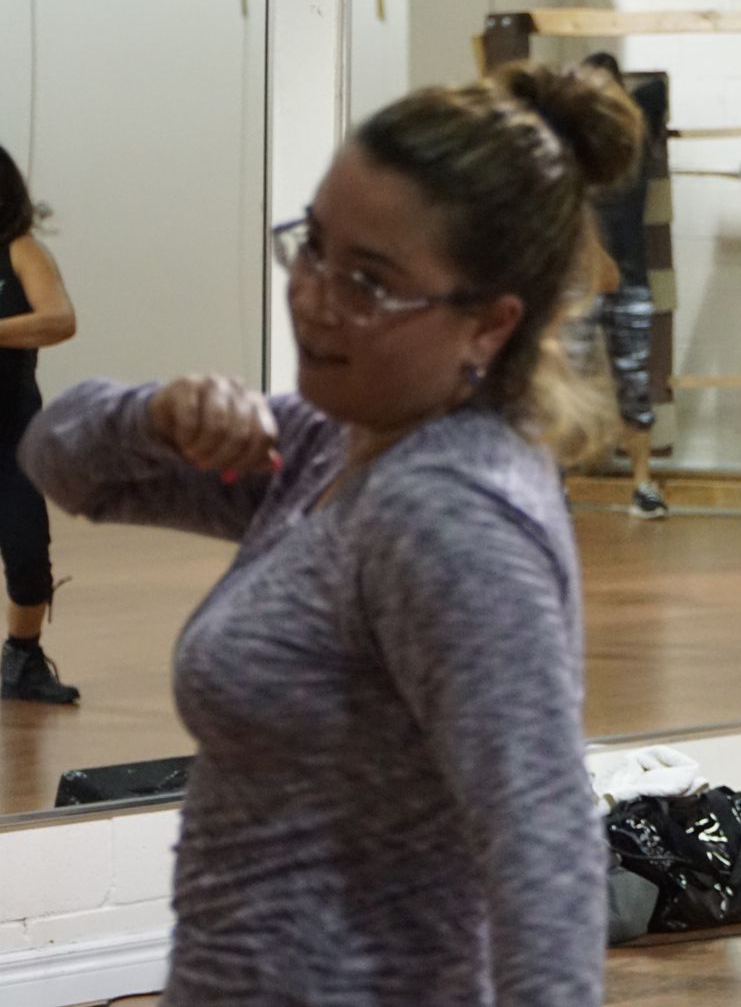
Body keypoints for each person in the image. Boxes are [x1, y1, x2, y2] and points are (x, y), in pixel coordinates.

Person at [20, 63, 638, 1005]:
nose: (312, 297)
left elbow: (542, 848)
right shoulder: (330, 442)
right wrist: (156, 413)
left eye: (369, 283)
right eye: (313, 247)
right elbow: (61, 461)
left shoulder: (449, 514)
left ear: (489, 323)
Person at [574, 51, 669, 519]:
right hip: (575, 285)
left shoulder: (634, 135)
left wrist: (608, 91)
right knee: (563, 381)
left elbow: (656, 89)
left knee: (634, 383)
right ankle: (551, 485)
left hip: (629, 281)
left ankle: (643, 485)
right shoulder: (567, 144)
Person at [0, 145, 79, 703]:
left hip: (12, 428)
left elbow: (59, 319)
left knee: (27, 550)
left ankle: (22, 660)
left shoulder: (21, 251)